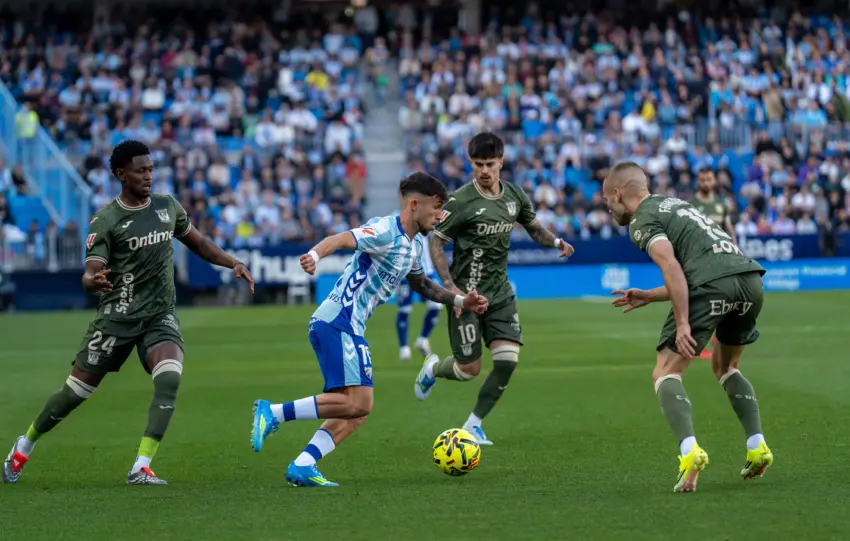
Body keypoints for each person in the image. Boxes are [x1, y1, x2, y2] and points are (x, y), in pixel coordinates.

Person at [2, 140, 255, 486]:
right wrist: (92, 280)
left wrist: (232, 262)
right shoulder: (106, 220)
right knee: (74, 395)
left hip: (159, 314)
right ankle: (25, 444)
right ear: (121, 174)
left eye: (151, 169)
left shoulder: (167, 207)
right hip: (116, 318)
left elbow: (198, 242)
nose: (149, 176)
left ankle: (141, 466)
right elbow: (90, 271)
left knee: (169, 378)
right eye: (141, 171)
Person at [250, 172, 488, 487]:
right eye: (436, 208)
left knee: (356, 411)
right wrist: (314, 255)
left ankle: (304, 464)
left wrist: (459, 300)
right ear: (414, 205)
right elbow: (341, 238)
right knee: (359, 403)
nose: (440, 216)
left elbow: (422, 284)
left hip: (347, 325)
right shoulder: (385, 230)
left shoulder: (414, 245)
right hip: (338, 321)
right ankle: (274, 413)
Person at [602, 161, 773, 493]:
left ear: (618, 194)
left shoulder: (641, 220)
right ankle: (757, 446)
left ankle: (690, 452)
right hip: (750, 281)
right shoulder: (676, 205)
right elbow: (702, 269)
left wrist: (683, 323)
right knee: (726, 366)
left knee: (665, 372)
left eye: (607, 200)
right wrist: (650, 295)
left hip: (715, 283)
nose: (608, 208)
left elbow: (672, 266)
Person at [415, 132, 574, 445]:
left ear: (501, 161)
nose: (484, 170)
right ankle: (432, 368)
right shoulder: (461, 201)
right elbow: (436, 242)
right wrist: (452, 291)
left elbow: (534, 228)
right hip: (467, 297)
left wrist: (556, 241)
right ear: (470, 163)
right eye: (478, 164)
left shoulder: (514, 195)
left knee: (507, 361)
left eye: (490, 163)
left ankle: (473, 425)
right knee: (468, 369)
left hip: (499, 293)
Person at [689, 167, 738, 359]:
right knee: (699, 301)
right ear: (698, 181)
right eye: (702, 180)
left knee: (720, 300)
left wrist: (735, 252)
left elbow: (729, 230)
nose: (706, 183)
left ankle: (715, 338)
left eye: (709, 179)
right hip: (698, 261)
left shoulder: (721, 204)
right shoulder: (691, 204)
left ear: (714, 181)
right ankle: (696, 343)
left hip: (719, 261)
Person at [396, 233, 442, 361]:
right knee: (404, 309)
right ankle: (404, 347)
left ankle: (422, 339)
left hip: (427, 273)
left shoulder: (426, 227)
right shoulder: (401, 228)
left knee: (436, 305)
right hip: (405, 275)